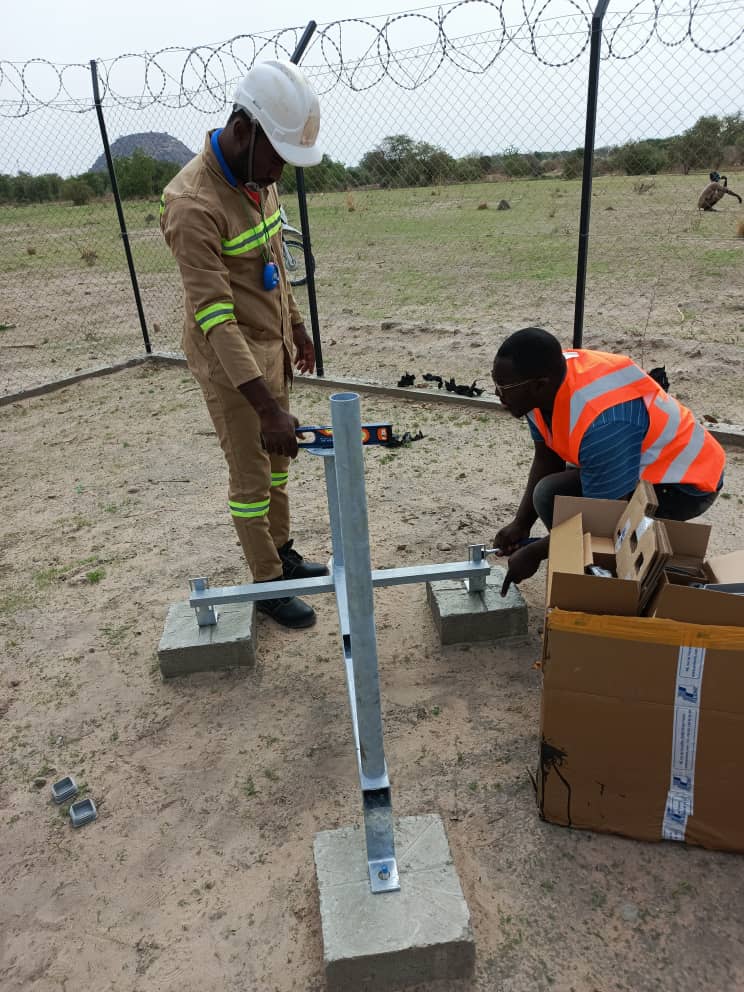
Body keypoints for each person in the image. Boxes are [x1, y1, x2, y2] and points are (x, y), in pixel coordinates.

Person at [160, 60, 327, 629]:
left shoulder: (260, 178)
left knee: (277, 462)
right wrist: (267, 406)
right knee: (252, 476)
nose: (280, 170)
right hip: (232, 364)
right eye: (276, 154)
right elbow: (216, 320)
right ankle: (267, 583)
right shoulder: (193, 205)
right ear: (243, 127)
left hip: (271, 344)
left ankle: (282, 551)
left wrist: (297, 326)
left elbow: (275, 259)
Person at [491, 327, 726, 593]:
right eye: (494, 381)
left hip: (685, 483)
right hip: (644, 466)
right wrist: (521, 525)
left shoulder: (603, 421)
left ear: (539, 385)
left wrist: (536, 553)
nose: (497, 393)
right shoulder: (539, 391)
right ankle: (588, 567)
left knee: (612, 529)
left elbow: (604, 514)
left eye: (504, 387)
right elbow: (547, 459)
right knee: (548, 493)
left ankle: (612, 587)